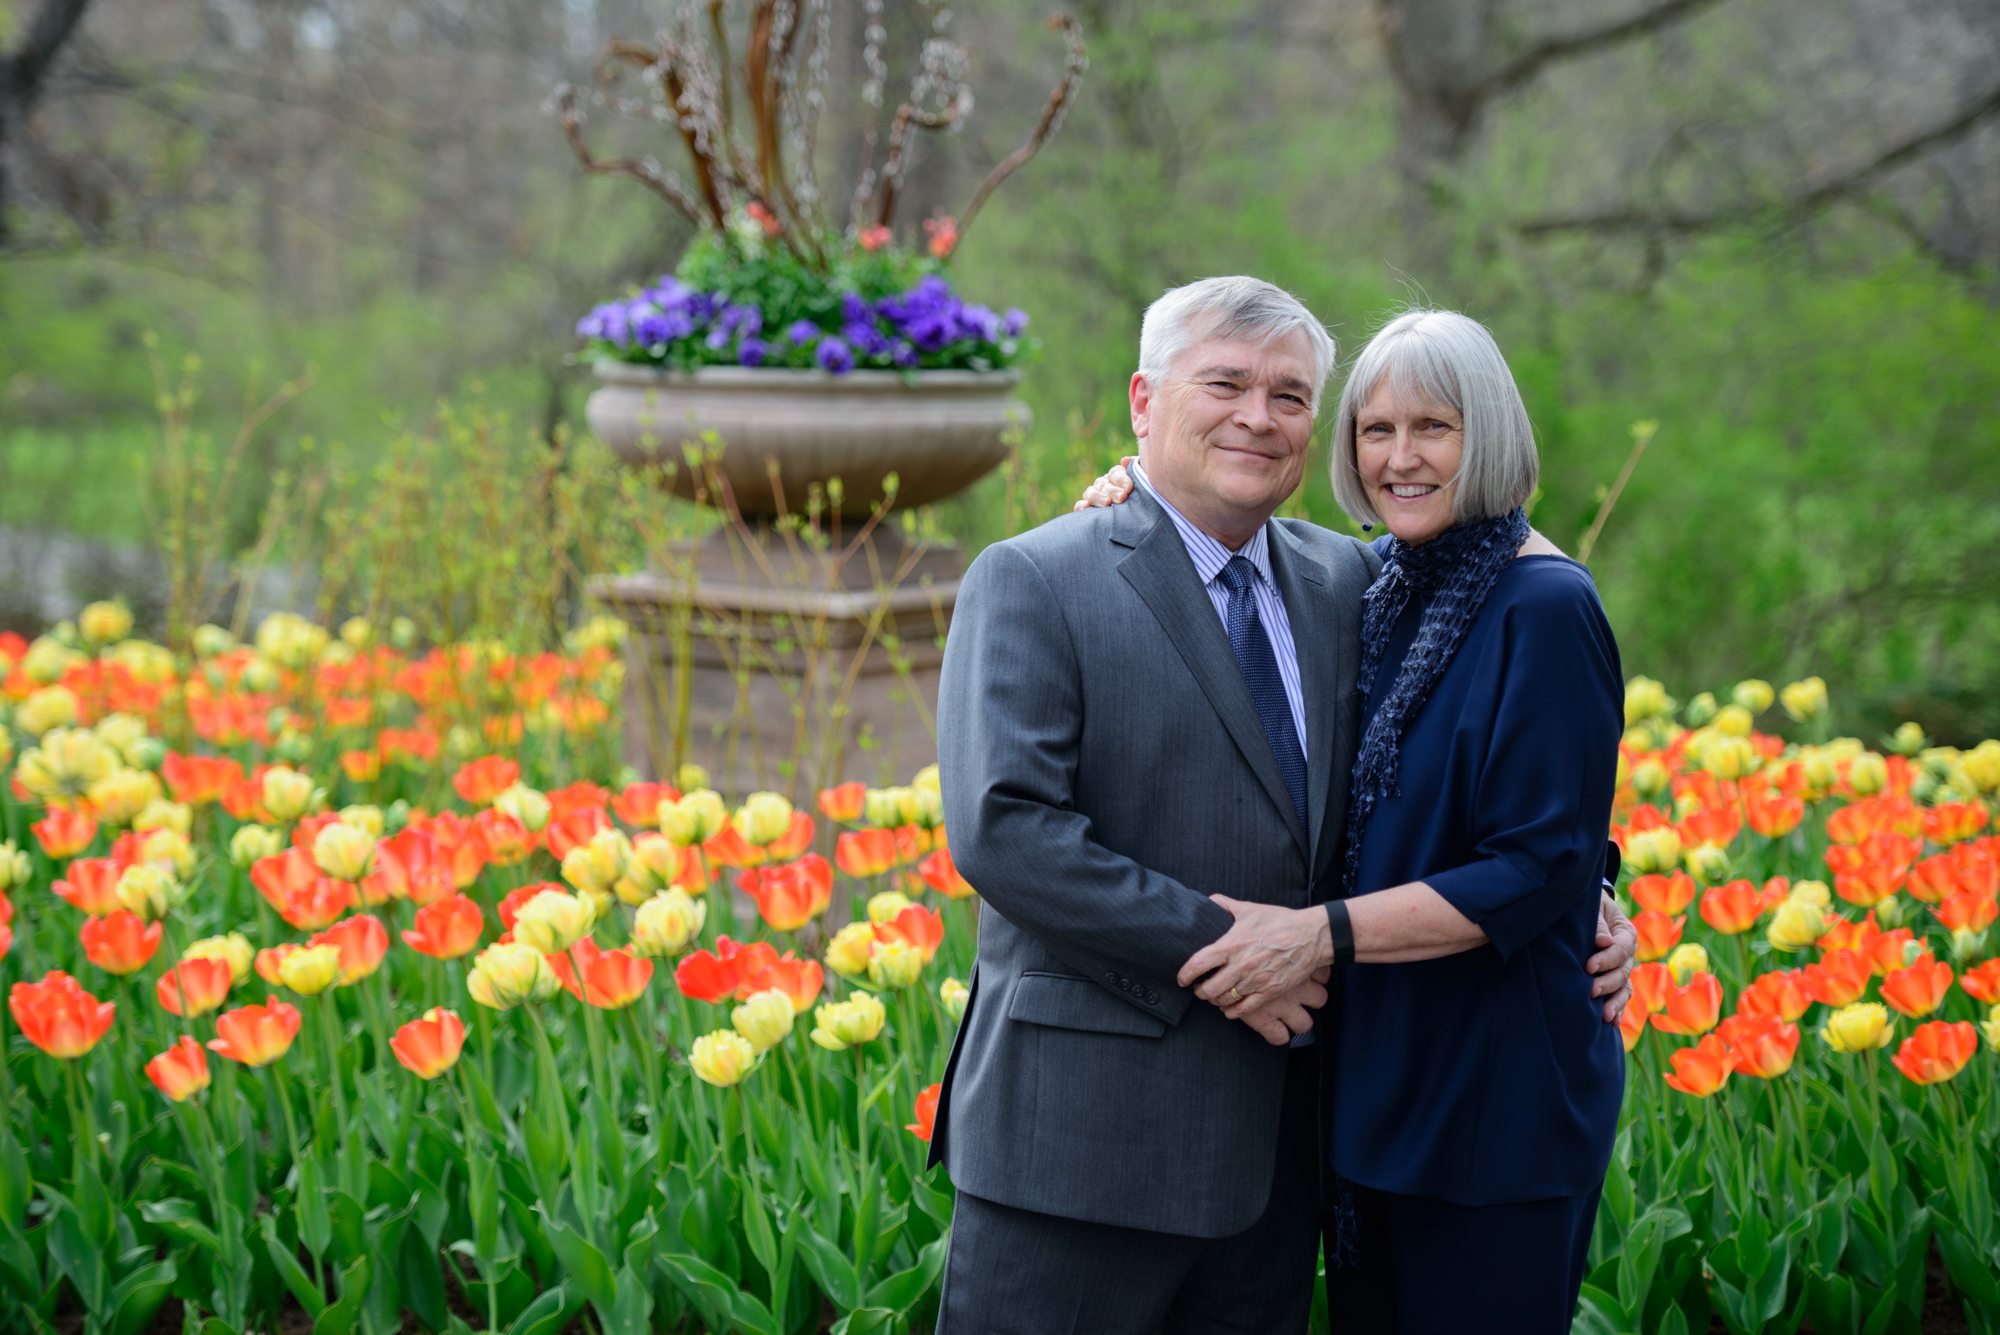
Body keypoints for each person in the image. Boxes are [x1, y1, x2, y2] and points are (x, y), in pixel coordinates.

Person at [933, 278, 1634, 1333]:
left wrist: (1587, 885)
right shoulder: (1038, 577)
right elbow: (1006, 829)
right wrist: (1236, 951)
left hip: (1282, 1150)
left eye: (1290, 396)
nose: (1256, 417)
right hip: (1080, 1140)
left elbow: (1477, 760)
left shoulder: (1350, 581)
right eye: (1222, 385)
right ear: (1142, 399)